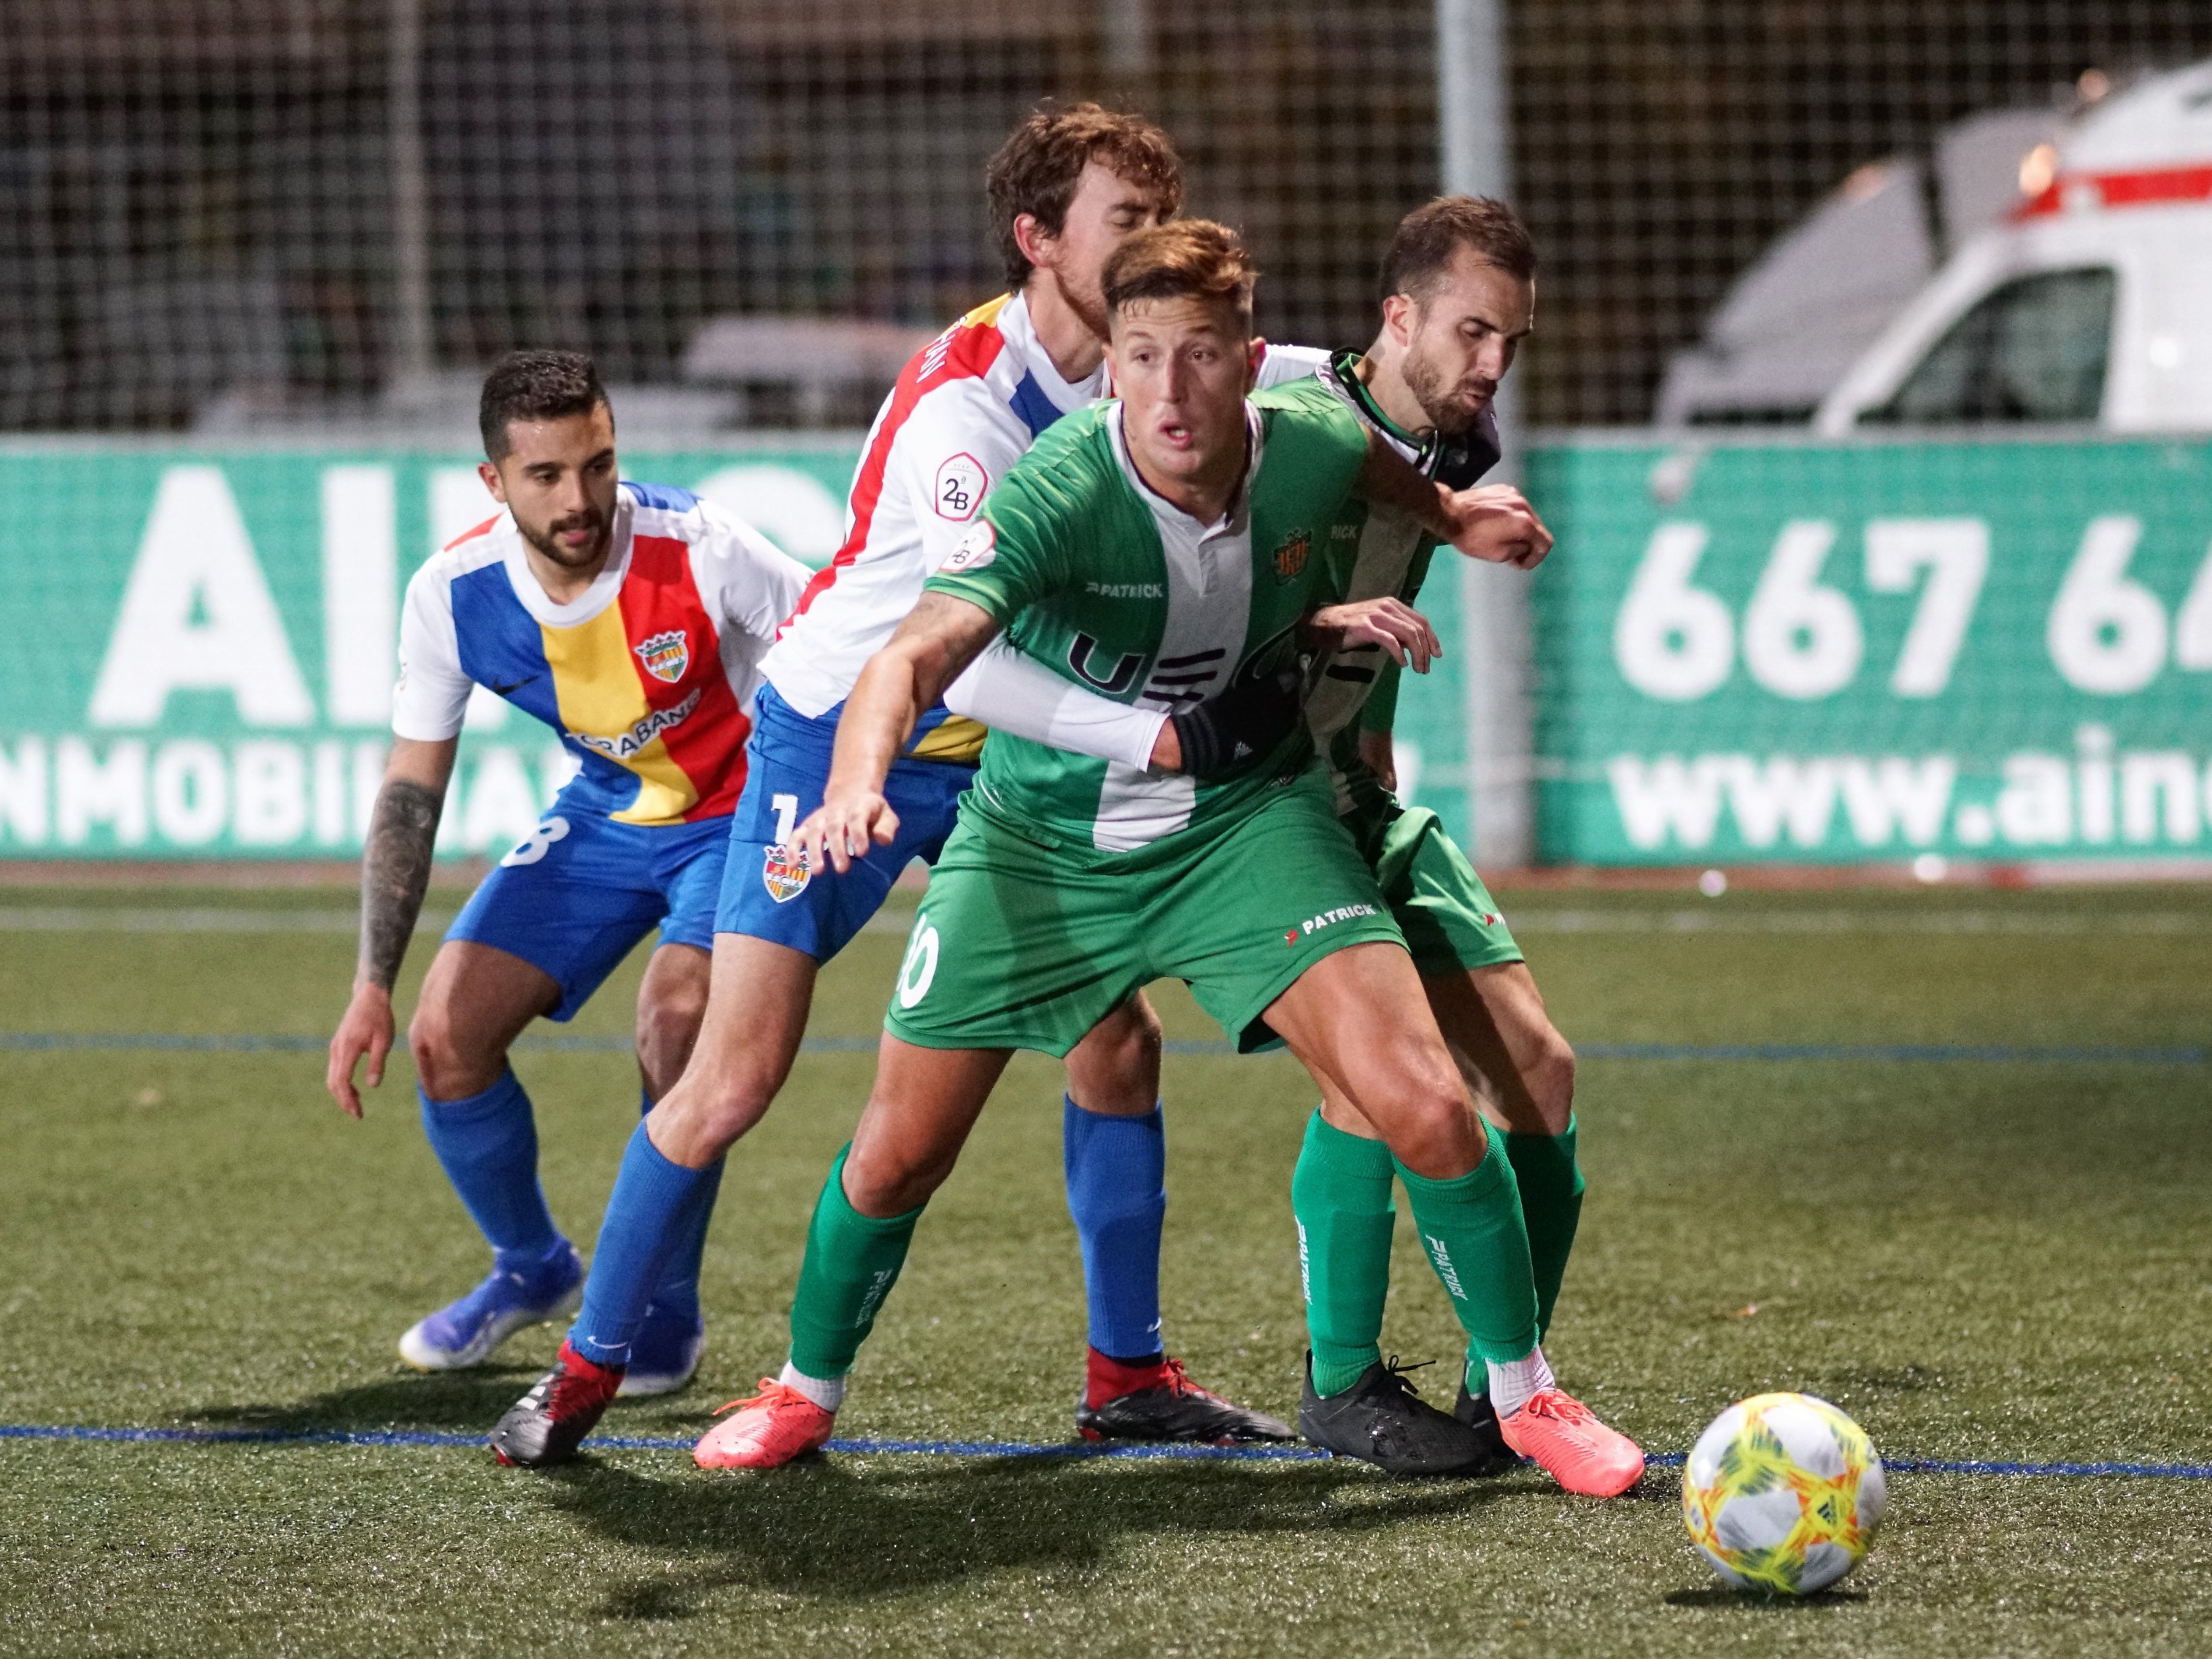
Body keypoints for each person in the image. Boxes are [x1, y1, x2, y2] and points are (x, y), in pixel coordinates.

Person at [693, 221, 1643, 1500]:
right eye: (1139, 357)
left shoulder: (1301, 438)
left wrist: (1454, 515)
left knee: (1424, 1099)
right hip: (1040, 843)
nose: (1168, 391)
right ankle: (802, 1393)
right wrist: (858, 784)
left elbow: (1373, 467)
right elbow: (912, 659)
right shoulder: (1057, 489)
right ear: (1116, 368)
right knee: (898, 1153)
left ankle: (1526, 1395)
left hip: (1241, 824)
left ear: (1249, 362)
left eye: (1199, 357)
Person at [488, 106, 1302, 1468]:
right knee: (731, 1072)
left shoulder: (1151, 360)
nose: (1155, 244)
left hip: (1000, 764)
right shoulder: (966, 411)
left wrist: (1439, 452)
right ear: (1038, 242)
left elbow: (1305, 369)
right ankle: (581, 1375)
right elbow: (962, 662)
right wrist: (1158, 739)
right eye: (1124, 222)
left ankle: (1128, 1372)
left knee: (1117, 1040)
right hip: (840, 742)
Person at [325, 350, 806, 1396]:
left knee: (675, 1021)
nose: (580, 498)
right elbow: (412, 790)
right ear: (494, 482)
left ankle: (662, 1316)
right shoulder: (452, 595)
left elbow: (837, 650)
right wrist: (371, 982)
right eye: (546, 475)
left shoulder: (705, 545)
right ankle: (535, 1266)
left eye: (597, 464)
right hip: (607, 815)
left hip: (734, 812)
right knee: (445, 1039)